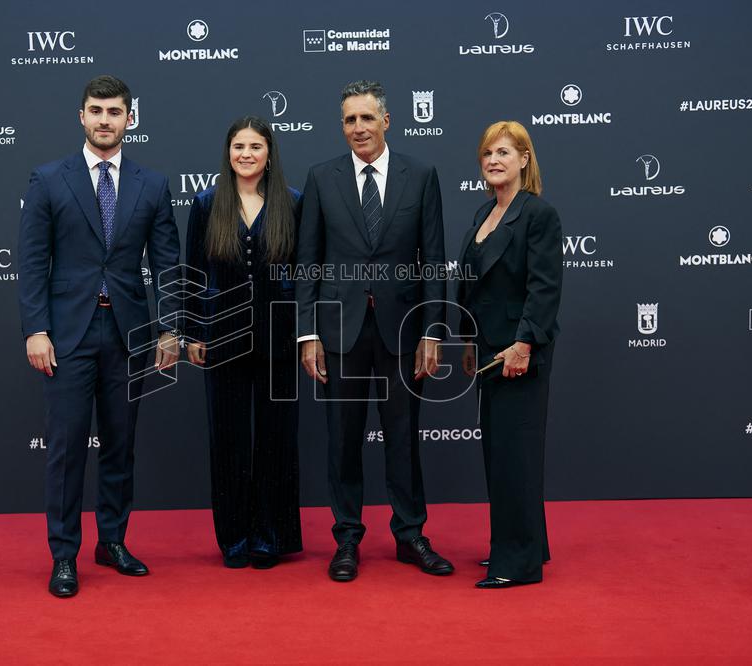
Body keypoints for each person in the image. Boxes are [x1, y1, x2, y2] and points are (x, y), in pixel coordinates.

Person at [18, 75, 182, 597]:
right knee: (67, 449)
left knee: (120, 444)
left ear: (130, 118)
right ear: (82, 116)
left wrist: (170, 327)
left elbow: (167, 263)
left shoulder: (152, 184)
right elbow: (32, 262)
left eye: (114, 111)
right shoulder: (49, 179)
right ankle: (64, 554)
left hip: (129, 333)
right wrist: (36, 329)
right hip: (67, 334)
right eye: (96, 110)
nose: (105, 120)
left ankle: (112, 541)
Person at [296, 80, 452, 582]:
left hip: (402, 330)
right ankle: (346, 538)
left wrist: (433, 331)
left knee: (403, 438)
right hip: (339, 331)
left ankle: (410, 535)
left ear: (387, 121)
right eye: (350, 120)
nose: (358, 128)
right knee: (342, 441)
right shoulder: (321, 178)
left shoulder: (420, 175)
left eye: (367, 118)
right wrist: (307, 334)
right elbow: (308, 262)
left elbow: (434, 260)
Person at [184, 116, 303, 569]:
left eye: (255, 146)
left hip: (280, 337)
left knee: (276, 437)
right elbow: (193, 273)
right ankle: (234, 537)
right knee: (229, 437)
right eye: (239, 146)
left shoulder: (293, 203)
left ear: (269, 153)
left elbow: (306, 272)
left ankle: (270, 536)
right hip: (223, 335)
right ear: (228, 153)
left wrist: (306, 332)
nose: (246, 154)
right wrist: (194, 331)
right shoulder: (206, 203)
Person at [455, 120, 562, 588]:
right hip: (488, 351)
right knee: (500, 454)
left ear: (524, 159)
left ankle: (517, 564)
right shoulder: (485, 213)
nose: (494, 160)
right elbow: (474, 287)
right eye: (487, 153)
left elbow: (545, 288)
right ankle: (525, 544)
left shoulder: (538, 214)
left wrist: (524, 344)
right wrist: (467, 340)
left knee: (516, 454)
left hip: (520, 354)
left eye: (503, 152)